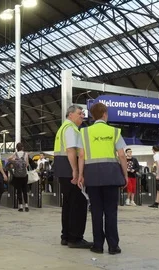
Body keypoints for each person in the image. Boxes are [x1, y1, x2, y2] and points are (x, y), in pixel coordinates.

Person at [77, 102, 127, 255]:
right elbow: (122, 155)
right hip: (111, 175)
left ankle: (98, 245)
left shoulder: (83, 132)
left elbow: (81, 155)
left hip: (92, 176)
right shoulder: (115, 131)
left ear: (92, 116)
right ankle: (113, 246)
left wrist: (80, 175)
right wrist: (124, 174)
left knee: (96, 211)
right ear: (105, 114)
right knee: (111, 211)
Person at [53, 105, 92, 249]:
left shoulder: (63, 128)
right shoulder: (70, 129)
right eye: (80, 113)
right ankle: (75, 238)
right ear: (70, 115)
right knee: (78, 203)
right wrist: (76, 170)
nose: (83, 116)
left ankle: (66, 236)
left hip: (62, 168)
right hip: (69, 168)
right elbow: (70, 150)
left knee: (68, 203)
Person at [8, 143, 30, 212]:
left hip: (17, 176)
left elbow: (8, 159)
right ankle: (26, 205)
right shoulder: (26, 154)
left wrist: (14, 161)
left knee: (19, 191)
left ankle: (20, 206)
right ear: (22, 147)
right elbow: (27, 164)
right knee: (25, 191)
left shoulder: (15, 154)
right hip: (24, 175)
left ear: (16, 148)